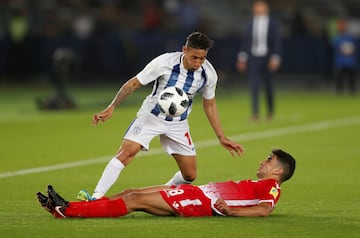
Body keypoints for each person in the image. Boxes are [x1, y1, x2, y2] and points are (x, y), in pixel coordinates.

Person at [86, 32, 244, 200]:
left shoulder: (208, 74)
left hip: (178, 124)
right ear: (184, 50)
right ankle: (96, 197)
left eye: (202, 58)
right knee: (126, 153)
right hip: (151, 117)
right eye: (194, 57)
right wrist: (112, 107)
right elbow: (133, 83)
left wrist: (221, 136)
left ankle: (164, 193)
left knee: (190, 175)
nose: (198, 63)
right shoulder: (164, 63)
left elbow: (209, 104)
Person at [37, 148, 296, 218]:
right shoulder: (259, 183)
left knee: (133, 201)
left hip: (199, 201)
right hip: (196, 193)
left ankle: (67, 210)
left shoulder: (271, 187)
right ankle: (76, 207)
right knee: (131, 192)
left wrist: (231, 210)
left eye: (269, 159)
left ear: (277, 170)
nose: (264, 161)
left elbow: (264, 210)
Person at [237, 0, 282, 121]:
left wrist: (276, 57)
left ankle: (270, 111)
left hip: (267, 57)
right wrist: (242, 57)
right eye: (256, 7)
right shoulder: (250, 23)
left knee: (268, 85)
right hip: (253, 58)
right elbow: (246, 41)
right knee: (254, 85)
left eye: (260, 7)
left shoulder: (272, 23)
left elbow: (276, 41)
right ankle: (255, 113)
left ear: (266, 8)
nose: (258, 9)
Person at [332, 19, 357, 95]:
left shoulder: (351, 38)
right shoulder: (337, 38)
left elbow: (354, 49)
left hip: (350, 62)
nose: (342, 28)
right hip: (340, 62)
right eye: (341, 26)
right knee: (339, 79)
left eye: (343, 26)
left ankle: (352, 93)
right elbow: (337, 49)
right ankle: (339, 93)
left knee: (351, 79)